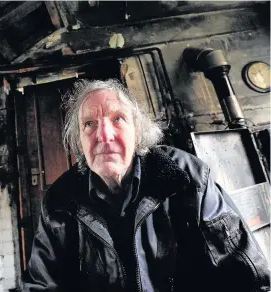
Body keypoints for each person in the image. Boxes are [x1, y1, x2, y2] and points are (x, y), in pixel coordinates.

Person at [23, 79, 270, 292]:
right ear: (79, 141)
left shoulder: (186, 176)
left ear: (137, 132)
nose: (104, 135)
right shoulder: (59, 201)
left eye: (117, 118)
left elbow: (246, 275)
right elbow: (42, 285)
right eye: (89, 124)